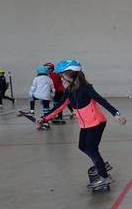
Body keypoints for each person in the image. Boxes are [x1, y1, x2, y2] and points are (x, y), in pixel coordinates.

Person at [39, 60, 126, 189]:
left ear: (69, 75)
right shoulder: (69, 90)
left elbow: (100, 100)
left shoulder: (85, 87)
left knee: (91, 149)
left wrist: (116, 113)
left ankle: (105, 178)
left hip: (96, 122)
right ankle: (102, 165)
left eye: (61, 75)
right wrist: (45, 118)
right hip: (85, 124)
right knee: (82, 146)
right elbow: (60, 105)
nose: (61, 78)